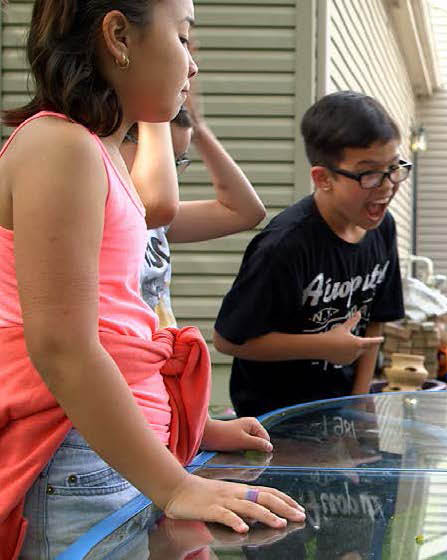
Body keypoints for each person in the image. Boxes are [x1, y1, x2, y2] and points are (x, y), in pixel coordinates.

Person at [0, 0, 304, 556]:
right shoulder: (58, 147)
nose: (193, 64)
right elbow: (63, 348)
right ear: (118, 35)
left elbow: (122, 326)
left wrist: (196, 431)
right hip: (76, 459)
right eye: (183, 38)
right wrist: (175, 484)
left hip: (114, 456)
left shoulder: (98, 153)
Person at [213, 91, 406, 419]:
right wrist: (322, 346)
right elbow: (227, 340)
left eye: (394, 167)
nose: (387, 185)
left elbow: (374, 325)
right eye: (369, 173)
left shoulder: (382, 228)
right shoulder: (285, 245)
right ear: (323, 178)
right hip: (275, 420)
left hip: (342, 412)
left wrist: (359, 404)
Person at [122, 91, 266, 327]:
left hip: (159, 355)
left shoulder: (155, 222)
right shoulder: (105, 213)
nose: (170, 174)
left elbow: (246, 211)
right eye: (165, 157)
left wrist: (199, 130)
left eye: (178, 161)